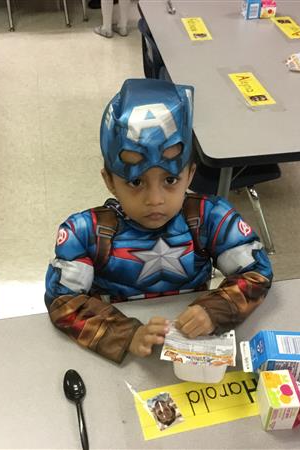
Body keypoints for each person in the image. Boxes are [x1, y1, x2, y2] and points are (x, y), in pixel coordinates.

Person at [45, 78, 273, 364]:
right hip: (126, 360)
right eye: (135, 181)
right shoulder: (84, 234)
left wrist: (215, 309)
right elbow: (63, 300)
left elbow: (257, 272)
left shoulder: (211, 218)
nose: (155, 199)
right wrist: (125, 334)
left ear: (190, 175)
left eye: (170, 180)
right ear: (110, 181)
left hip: (191, 349)